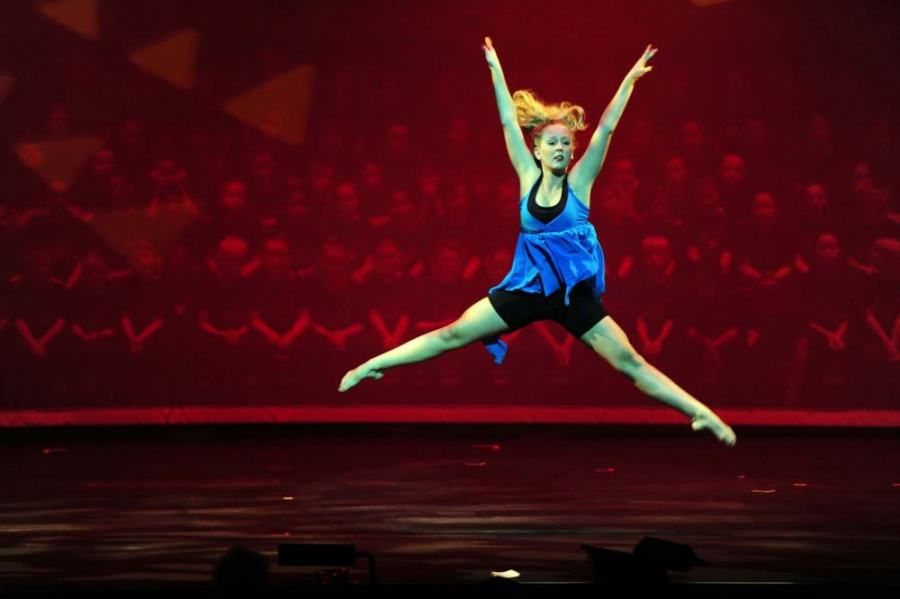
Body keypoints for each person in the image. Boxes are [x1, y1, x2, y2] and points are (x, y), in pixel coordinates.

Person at [339, 38, 736, 446]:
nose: (562, 148)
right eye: (553, 143)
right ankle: (373, 364)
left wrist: (630, 80)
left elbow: (606, 128)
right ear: (538, 150)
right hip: (527, 290)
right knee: (453, 334)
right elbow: (509, 123)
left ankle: (702, 413)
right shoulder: (527, 179)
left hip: (571, 296)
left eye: (566, 143)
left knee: (629, 362)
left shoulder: (581, 183)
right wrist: (496, 70)